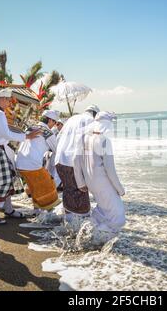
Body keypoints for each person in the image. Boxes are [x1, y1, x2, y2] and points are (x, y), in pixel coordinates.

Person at [0, 88, 41, 225]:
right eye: (8, 100)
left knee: (7, 178)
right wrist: (26, 136)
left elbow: (4, 132)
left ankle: (8, 209)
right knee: (4, 181)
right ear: (2, 99)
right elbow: (7, 134)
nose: (9, 103)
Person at [73, 111, 126, 245]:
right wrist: (120, 189)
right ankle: (102, 242)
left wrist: (80, 182)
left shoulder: (84, 138)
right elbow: (110, 170)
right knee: (118, 216)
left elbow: (76, 160)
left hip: (91, 183)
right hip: (103, 184)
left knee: (103, 211)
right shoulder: (104, 141)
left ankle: (92, 235)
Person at [54, 105, 100, 231]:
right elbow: (92, 144)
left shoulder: (71, 119)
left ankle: (68, 224)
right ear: (95, 115)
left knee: (68, 191)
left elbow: (58, 137)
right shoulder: (91, 121)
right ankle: (81, 230)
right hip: (73, 162)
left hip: (60, 160)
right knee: (81, 193)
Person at [16, 109, 61, 216]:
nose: (54, 125)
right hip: (32, 164)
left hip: (20, 163)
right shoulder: (47, 132)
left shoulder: (31, 127)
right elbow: (57, 150)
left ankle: (36, 209)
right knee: (48, 186)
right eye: (54, 122)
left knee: (34, 187)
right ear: (50, 120)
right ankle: (47, 211)